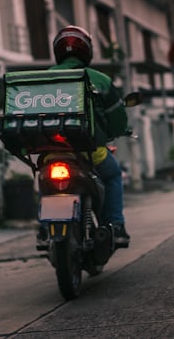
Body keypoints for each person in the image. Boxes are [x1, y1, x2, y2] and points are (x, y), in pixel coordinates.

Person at [49, 25, 130, 247]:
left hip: (50, 154)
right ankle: (115, 225)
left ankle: (45, 229)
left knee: (44, 181)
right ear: (86, 51)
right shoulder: (99, 79)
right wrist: (120, 130)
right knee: (113, 175)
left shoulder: (42, 79)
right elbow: (117, 117)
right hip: (90, 153)